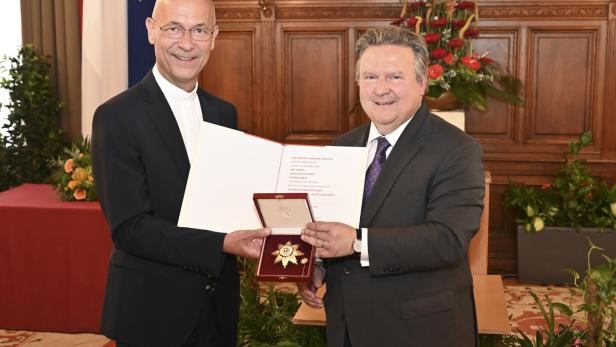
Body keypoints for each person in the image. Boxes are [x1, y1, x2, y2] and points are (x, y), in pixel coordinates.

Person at [91, 0, 270, 346]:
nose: (187, 43)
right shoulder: (116, 117)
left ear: (214, 37)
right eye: (174, 28)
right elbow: (130, 228)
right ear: (150, 30)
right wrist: (222, 243)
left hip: (218, 307)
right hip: (152, 311)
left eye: (199, 30)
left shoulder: (224, 114)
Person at [298, 26, 485, 347]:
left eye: (395, 77)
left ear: (422, 83)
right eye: (370, 77)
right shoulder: (341, 147)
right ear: (358, 84)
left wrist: (357, 242)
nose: (381, 89)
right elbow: (331, 227)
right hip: (346, 328)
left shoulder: (457, 149)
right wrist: (316, 266)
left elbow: (449, 239)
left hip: (419, 330)